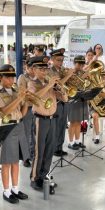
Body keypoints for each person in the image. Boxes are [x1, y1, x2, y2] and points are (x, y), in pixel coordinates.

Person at [27, 56, 67, 191]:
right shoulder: (32, 83)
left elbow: (65, 99)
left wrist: (61, 89)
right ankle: (34, 178)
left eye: (46, 68)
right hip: (40, 120)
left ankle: (43, 175)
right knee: (39, 151)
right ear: (34, 69)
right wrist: (49, 85)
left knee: (49, 150)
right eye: (41, 68)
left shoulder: (49, 82)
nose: (44, 71)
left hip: (52, 119)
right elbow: (33, 97)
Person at [0, 64, 30, 204]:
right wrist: (20, 99)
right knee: (7, 161)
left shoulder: (15, 91)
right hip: (6, 127)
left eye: (12, 76)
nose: (11, 79)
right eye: (7, 77)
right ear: (0, 77)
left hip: (18, 124)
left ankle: (15, 188)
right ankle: (6, 191)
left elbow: (23, 113)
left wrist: (26, 101)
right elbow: (4, 112)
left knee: (16, 161)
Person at [48, 48, 74, 157]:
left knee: (63, 125)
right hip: (56, 101)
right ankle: (54, 148)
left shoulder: (62, 70)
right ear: (52, 60)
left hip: (65, 100)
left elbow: (67, 84)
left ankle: (60, 147)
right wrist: (68, 75)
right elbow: (56, 85)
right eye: (58, 60)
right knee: (56, 126)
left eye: (62, 60)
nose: (61, 63)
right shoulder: (50, 71)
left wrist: (71, 77)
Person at [67, 55, 89, 150]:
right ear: (74, 63)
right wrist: (83, 77)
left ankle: (77, 141)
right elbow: (72, 85)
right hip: (73, 100)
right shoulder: (70, 73)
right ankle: (70, 142)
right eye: (79, 63)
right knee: (73, 122)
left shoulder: (83, 72)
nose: (81, 66)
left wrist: (89, 80)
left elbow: (88, 85)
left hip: (82, 99)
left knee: (79, 122)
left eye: (83, 64)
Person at [17, 58, 35, 168]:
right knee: (26, 133)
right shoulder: (22, 78)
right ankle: (25, 157)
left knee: (34, 133)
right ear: (26, 68)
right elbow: (22, 94)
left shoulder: (37, 78)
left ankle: (32, 153)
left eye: (35, 68)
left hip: (37, 108)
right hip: (27, 108)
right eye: (31, 68)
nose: (33, 70)